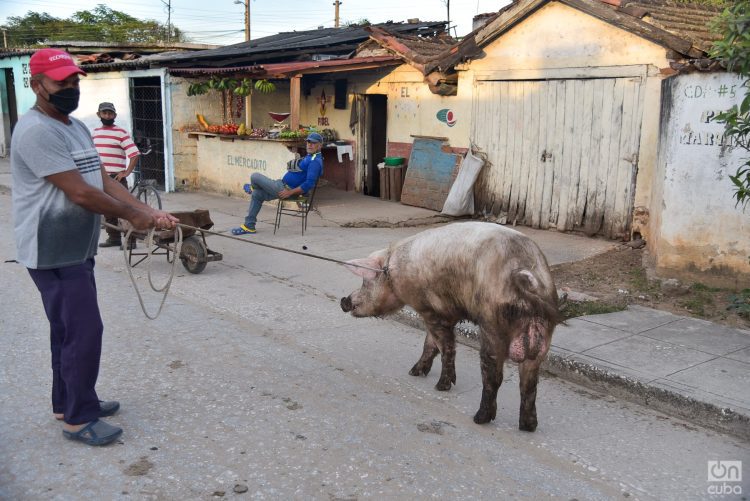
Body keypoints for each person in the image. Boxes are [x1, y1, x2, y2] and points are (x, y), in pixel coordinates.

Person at [11, 48, 179, 446]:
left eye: (74, 81)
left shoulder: (75, 127)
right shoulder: (37, 131)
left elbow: (104, 181)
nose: (70, 88)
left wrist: (147, 211)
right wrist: (132, 217)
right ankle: (78, 417)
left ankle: (66, 401)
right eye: (60, 82)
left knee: (66, 330)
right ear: (37, 85)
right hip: (52, 249)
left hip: (76, 246)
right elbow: (81, 194)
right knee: (84, 331)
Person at [232, 132, 324, 235]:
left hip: (285, 190)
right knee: (257, 194)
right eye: (308, 142)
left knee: (255, 176)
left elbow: (309, 184)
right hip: (281, 185)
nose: (309, 144)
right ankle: (249, 226)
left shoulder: (315, 161)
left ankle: (253, 187)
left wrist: (290, 193)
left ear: (320, 145)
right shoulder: (311, 156)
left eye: (313, 143)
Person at [92, 101, 141, 249]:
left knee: (125, 209)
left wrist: (126, 172)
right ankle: (113, 238)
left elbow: (134, 154)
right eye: (104, 113)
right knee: (108, 209)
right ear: (99, 115)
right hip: (101, 177)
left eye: (110, 113)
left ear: (115, 115)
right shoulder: (95, 133)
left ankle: (131, 240)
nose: (107, 116)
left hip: (116, 178)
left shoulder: (121, 133)